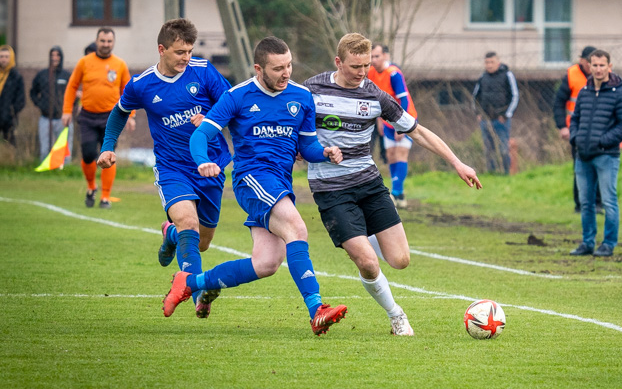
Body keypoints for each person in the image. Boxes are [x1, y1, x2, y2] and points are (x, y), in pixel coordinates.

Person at [162, 36, 348, 336]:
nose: (286, 73)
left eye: (289, 66)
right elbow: (200, 136)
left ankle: (191, 282)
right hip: (252, 179)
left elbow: (308, 146)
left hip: (279, 182)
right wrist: (201, 161)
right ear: (258, 68)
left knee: (266, 263)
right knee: (297, 229)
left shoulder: (301, 97)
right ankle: (317, 310)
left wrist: (325, 153)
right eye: (278, 69)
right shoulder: (237, 96)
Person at [304, 33, 482, 336]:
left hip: (369, 184)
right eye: (354, 66)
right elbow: (286, 128)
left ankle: (355, 239)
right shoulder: (311, 90)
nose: (362, 72)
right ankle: (396, 315)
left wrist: (456, 162)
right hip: (331, 190)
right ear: (338, 62)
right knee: (369, 264)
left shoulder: (374, 95)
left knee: (400, 260)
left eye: (366, 65)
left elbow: (418, 131)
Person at [97, 19, 231, 318]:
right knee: (189, 225)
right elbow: (120, 112)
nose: (186, 57)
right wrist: (108, 146)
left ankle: (170, 235)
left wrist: (209, 117)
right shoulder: (142, 84)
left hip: (210, 167)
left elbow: (232, 104)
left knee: (203, 243)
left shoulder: (204, 71)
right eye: (179, 51)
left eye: (189, 51)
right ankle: (196, 294)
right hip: (172, 168)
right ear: (162, 49)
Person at [569, 49, 622, 258]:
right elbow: (575, 118)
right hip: (583, 156)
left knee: (608, 201)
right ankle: (587, 243)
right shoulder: (585, 91)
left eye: (602, 65)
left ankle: (608, 244)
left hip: (607, 155)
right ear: (589, 66)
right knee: (586, 203)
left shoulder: (620, 92)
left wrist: (603, 141)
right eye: (594, 65)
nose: (598, 69)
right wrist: (575, 138)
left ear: (609, 67)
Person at [62, 28, 134, 209]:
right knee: (87, 154)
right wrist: (67, 111)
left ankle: (105, 197)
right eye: (102, 41)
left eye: (109, 41)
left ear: (113, 43)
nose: (106, 44)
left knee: (108, 156)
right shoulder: (84, 62)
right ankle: (91, 187)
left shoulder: (120, 64)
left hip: (112, 118)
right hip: (87, 116)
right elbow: (72, 86)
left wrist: (131, 115)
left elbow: (128, 91)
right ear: (97, 41)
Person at [553, 45, 602, 213]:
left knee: (600, 165)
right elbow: (559, 103)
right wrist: (562, 126)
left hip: (599, 130)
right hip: (576, 129)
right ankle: (580, 204)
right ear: (582, 61)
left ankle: (597, 203)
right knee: (580, 166)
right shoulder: (571, 75)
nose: (594, 66)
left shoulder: (604, 76)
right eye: (591, 62)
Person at [368, 43, 417, 207]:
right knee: (390, 155)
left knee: (401, 153)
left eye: (377, 56)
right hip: (386, 121)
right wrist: (379, 121)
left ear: (386, 56)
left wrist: (402, 126)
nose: (374, 60)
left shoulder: (394, 74)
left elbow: (404, 99)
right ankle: (399, 194)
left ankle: (396, 192)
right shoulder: (371, 73)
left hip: (405, 118)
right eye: (372, 57)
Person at [472, 51, 518, 175]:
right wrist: (478, 113)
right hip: (486, 119)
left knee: (504, 149)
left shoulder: (507, 75)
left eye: (492, 62)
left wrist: (506, 114)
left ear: (498, 62)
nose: (489, 65)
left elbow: (515, 96)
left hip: (501, 120)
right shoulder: (483, 77)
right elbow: (475, 97)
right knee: (488, 149)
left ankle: (506, 173)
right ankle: (491, 173)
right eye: (487, 62)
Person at [30, 46, 73, 160]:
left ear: (61, 57)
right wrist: (40, 104)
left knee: (64, 149)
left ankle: (65, 170)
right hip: (45, 118)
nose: (55, 58)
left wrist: (70, 111)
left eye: (57, 55)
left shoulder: (66, 75)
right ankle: (45, 170)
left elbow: (73, 94)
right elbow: (33, 92)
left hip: (62, 118)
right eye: (52, 55)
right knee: (45, 148)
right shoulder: (42, 75)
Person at [0, 45, 26, 146]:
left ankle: (9, 159)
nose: (4, 59)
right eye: (1, 56)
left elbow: (21, 98)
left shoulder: (16, 76)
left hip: (9, 117)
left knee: (9, 142)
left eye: (6, 56)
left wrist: (12, 111)